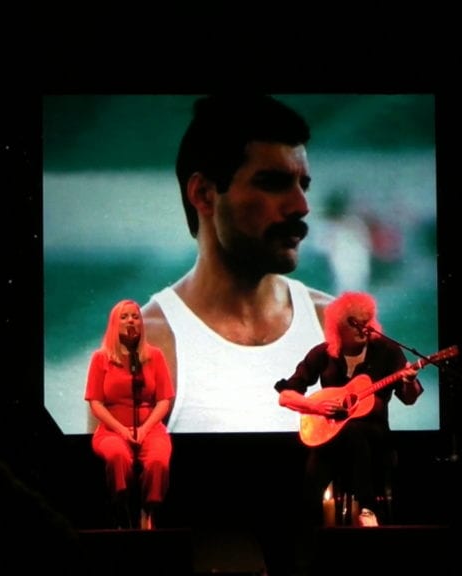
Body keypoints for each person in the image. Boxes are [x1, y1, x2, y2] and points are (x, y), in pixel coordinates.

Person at [141, 94, 332, 433]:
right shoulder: (147, 345)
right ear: (203, 194)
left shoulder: (334, 324)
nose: (301, 206)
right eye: (273, 183)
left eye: (303, 186)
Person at [275, 291, 423, 527]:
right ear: (338, 327)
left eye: (367, 322)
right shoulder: (323, 354)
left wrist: (409, 381)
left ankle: (367, 507)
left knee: (351, 432)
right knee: (330, 449)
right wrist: (315, 406)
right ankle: (311, 530)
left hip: (375, 437)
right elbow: (286, 396)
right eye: (354, 323)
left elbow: (410, 398)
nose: (363, 329)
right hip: (331, 437)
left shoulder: (387, 352)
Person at [85, 299, 174, 529]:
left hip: (150, 428)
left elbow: (164, 400)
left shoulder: (154, 356)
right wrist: (121, 430)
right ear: (114, 324)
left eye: (135, 316)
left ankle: (148, 512)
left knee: (158, 460)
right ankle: (121, 512)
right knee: (117, 456)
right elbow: (95, 402)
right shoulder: (101, 358)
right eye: (124, 317)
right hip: (112, 430)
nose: (131, 321)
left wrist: (145, 429)